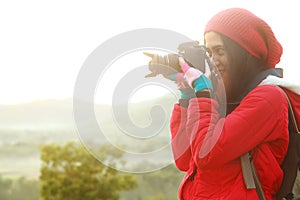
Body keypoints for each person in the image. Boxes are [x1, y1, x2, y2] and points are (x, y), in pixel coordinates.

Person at [167, 8, 300, 200]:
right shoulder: (224, 99)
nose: (213, 61)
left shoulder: (268, 98)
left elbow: (206, 153)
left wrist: (203, 92)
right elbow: (185, 159)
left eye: (220, 51)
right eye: (209, 53)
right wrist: (188, 95)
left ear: (244, 53)